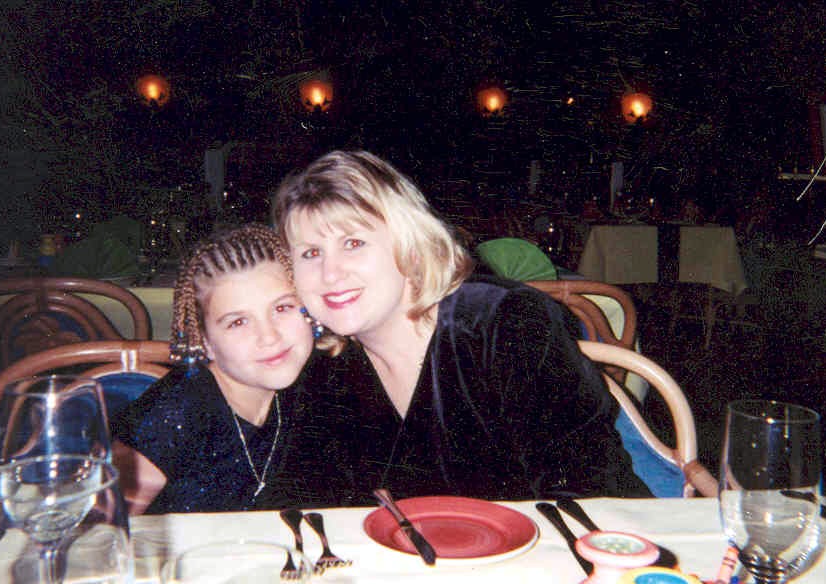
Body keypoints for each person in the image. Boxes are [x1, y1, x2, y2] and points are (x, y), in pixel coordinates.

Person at [270, 150, 650, 507]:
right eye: (310, 253)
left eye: (353, 243)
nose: (330, 273)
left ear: (411, 246)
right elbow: (304, 502)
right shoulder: (325, 368)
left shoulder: (504, 322)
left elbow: (586, 485)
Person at [110, 224, 325, 514]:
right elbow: (101, 531)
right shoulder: (174, 413)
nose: (269, 337)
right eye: (238, 322)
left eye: (282, 308)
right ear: (205, 342)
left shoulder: (309, 383)